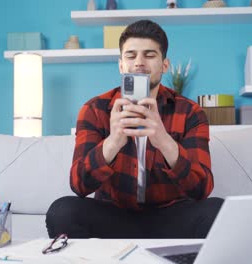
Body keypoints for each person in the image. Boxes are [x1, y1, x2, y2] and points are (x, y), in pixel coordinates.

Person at [46, 19, 223, 239]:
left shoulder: (190, 113)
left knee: (218, 211)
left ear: (164, 65)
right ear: (121, 65)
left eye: (149, 55)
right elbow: (79, 185)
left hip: (170, 216)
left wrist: (164, 141)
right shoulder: (94, 109)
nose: (139, 62)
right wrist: (113, 142)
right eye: (131, 55)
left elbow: (202, 189)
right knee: (62, 212)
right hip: (114, 216)